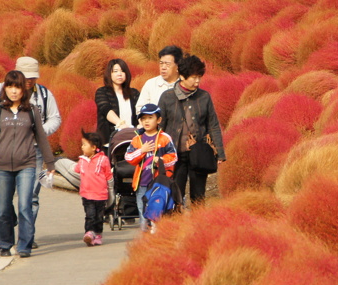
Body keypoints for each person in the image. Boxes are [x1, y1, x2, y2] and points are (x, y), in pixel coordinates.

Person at [0, 56, 61, 247]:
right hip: (5, 152)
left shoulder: (44, 94)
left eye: (33, 78)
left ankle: (26, 238)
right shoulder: (2, 90)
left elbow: (55, 118)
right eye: (25, 77)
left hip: (32, 153)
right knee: (1, 198)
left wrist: (38, 131)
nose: (29, 81)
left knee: (31, 198)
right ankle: (10, 221)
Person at [158, 54, 226, 206]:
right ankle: (174, 226)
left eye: (199, 77)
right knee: (175, 194)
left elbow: (213, 124)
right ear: (182, 76)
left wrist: (220, 153)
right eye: (194, 77)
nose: (197, 81)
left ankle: (198, 225)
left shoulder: (204, 97)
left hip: (199, 153)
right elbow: (160, 127)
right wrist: (157, 152)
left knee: (198, 196)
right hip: (174, 154)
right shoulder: (167, 97)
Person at [124, 103, 177, 233]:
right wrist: (142, 150)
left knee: (158, 210)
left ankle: (157, 235)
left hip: (159, 183)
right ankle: (145, 236)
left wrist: (161, 160)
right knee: (143, 211)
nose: (146, 121)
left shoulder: (165, 138)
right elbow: (129, 157)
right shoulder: (137, 139)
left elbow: (174, 157)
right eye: (143, 118)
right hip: (142, 182)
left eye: (150, 117)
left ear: (158, 120)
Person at [74, 130, 112, 246]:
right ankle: (89, 233)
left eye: (84, 145)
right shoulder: (82, 160)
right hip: (87, 194)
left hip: (101, 195)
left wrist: (111, 191)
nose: (82, 147)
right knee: (89, 215)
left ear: (94, 147)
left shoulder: (103, 160)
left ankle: (98, 234)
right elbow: (76, 170)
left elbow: (109, 176)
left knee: (99, 217)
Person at [95, 58, 139, 146]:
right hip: (110, 141)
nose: (119, 74)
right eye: (115, 71)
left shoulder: (134, 93)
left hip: (133, 140)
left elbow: (141, 111)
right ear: (109, 74)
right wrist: (121, 124)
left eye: (122, 71)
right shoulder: (102, 92)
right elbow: (106, 109)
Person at [138, 45, 183, 109]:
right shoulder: (150, 84)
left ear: (177, 66)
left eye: (167, 64)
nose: (163, 67)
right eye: (161, 63)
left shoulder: (185, 84)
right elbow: (140, 108)